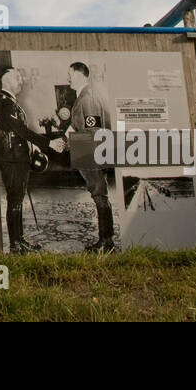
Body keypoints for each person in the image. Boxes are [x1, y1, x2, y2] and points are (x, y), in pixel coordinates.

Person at [0, 69, 50, 252]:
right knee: (15, 200)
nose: (21, 82)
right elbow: (20, 130)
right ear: (7, 81)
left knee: (17, 199)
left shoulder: (11, 102)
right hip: (12, 158)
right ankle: (15, 244)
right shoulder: (4, 103)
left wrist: (32, 146)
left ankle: (19, 240)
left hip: (17, 157)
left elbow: (19, 131)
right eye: (18, 78)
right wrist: (47, 142)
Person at [67, 62, 116, 252]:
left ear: (79, 74)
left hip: (90, 151)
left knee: (100, 196)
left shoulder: (87, 97)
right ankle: (105, 241)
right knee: (99, 196)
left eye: (70, 74)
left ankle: (107, 242)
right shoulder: (84, 96)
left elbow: (92, 127)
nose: (68, 78)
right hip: (88, 150)